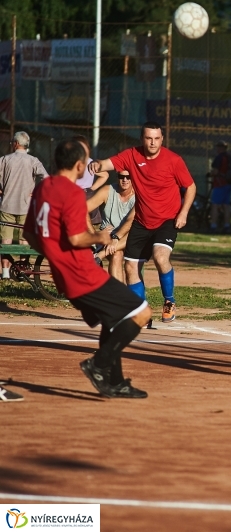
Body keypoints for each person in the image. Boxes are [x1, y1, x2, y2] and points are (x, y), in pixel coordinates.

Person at [22, 139, 152, 399]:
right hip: (82, 274)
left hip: (65, 276)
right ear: (80, 166)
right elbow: (75, 238)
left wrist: (55, 256)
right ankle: (99, 364)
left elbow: (30, 234)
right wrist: (99, 237)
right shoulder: (70, 192)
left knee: (112, 320)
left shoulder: (43, 187)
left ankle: (115, 382)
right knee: (141, 312)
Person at [88, 122, 196, 323]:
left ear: (162, 139)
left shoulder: (173, 160)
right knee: (130, 267)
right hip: (142, 221)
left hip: (166, 220)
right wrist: (97, 165)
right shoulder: (132, 155)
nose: (153, 142)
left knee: (160, 257)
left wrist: (183, 213)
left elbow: (190, 187)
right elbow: (108, 164)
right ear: (142, 139)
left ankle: (169, 301)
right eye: (148, 138)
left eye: (156, 138)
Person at [0, 131, 47, 279]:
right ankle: (23, 271)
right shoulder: (33, 161)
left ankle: (5, 273)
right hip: (26, 206)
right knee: (24, 240)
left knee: (5, 240)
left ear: (15, 143)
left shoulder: (4, 160)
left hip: (6, 205)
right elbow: (46, 177)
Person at [86, 169, 136, 283]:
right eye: (121, 177)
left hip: (128, 237)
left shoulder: (140, 195)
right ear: (117, 177)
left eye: (128, 177)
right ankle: (120, 293)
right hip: (107, 236)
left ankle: (99, 255)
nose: (125, 180)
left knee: (134, 232)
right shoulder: (107, 190)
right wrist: (94, 234)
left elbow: (130, 221)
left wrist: (116, 238)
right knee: (117, 255)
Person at [73, 135, 109, 231]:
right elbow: (105, 175)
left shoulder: (85, 163)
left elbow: (105, 175)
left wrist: (91, 188)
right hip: (88, 194)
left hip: (79, 195)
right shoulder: (90, 162)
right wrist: (91, 189)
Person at [208, 141, 231, 234]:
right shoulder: (229, 157)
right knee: (226, 205)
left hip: (220, 184)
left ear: (220, 148)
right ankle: (227, 226)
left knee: (215, 205)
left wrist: (210, 174)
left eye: (218, 147)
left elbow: (216, 171)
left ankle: (213, 226)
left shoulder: (219, 157)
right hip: (228, 184)